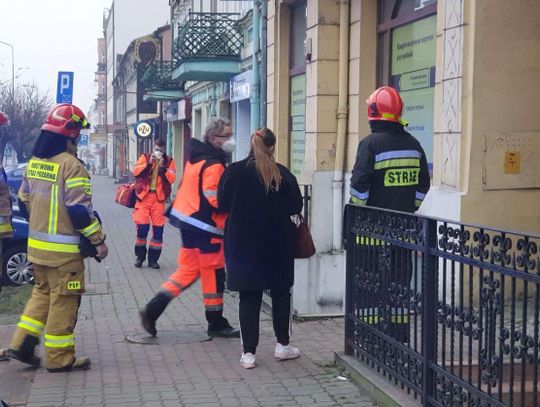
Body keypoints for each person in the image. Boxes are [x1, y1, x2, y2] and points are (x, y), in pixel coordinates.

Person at [7, 103, 108, 372]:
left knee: (41, 295)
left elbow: (24, 199)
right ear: (71, 132)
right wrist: (98, 241)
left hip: (37, 250)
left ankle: (20, 344)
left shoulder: (35, 163)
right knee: (64, 302)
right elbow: (79, 211)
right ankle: (59, 357)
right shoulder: (72, 166)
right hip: (65, 256)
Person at [140, 117, 239, 338]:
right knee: (214, 274)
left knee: (188, 271)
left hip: (189, 224)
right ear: (214, 138)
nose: (230, 140)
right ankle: (216, 322)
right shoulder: (214, 165)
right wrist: (236, 204)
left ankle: (153, 309)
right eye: (227, 136)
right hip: (207, 227)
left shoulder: (197, 159)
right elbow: (216, 200)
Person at [349, 86, 430, 343]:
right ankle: (398, 337)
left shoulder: (370, 144)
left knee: (368, 285)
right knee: (399, 284)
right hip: (403, 229)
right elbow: (423, 186)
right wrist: (409, 207)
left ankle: (369, 337)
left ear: (373, 113)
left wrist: (357, 214)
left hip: (370, 231)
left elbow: (359, 186)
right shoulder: (414, 145)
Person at [217, 127, 303, 369]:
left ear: (251, 144)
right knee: (280, 292)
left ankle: (248, 354)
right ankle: (283, 346)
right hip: (278, 243)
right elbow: (296, 205)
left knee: (249, 296)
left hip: (242, 244)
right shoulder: (282, 174)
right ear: (272, 147)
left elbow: (222, 204)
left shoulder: (233, 173)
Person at [132, 138, 176, 269]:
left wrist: (162, 167)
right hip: (143, 198)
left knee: (158, 233)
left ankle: (153, 260)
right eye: (156, 150)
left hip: (158, 200)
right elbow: (135, 171)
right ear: (153, 148)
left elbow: (172, 178)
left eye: (161, 151)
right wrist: (148, 164)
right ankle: (140, 257)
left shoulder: (169, 161)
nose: (158, 152)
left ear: (164, 151)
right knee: (142, 229)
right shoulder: (145, 158)